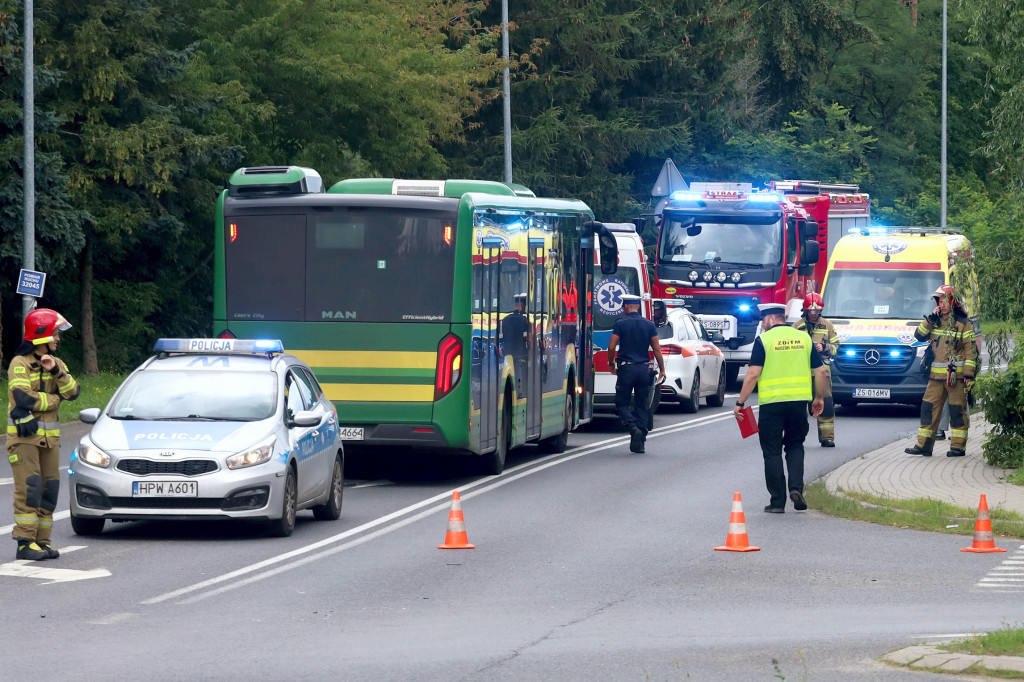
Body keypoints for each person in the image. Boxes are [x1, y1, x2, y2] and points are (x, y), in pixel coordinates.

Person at [733, 303, 827, 513]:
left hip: (771, 405)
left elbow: (753, 374)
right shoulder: (804, 339)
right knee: (795, 445)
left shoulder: (764, 340)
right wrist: (818, 398)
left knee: (772, 450)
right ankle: (796, 488)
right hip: (798, 404)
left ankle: (777, 502)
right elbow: (820, 372)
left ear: (771, 319)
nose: (762, 324)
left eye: (763, 320)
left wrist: (740, 402)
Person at [6, 308, 80, 560]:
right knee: (30, 488)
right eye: (55, 333)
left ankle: (43, 542)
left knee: (49, 489)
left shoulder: (56, 363)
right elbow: (22, 397)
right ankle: (25, 543)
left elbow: (73, 392)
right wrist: (53, 399)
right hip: (24, 439)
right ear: (42, 335)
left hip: (50, 440)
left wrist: (56, 372)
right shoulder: (19, 363)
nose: (58, 338)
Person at [905, 285, 977, 457]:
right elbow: (918, 335)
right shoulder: (934, 321)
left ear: (953, 303)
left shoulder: (964, 325)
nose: (942, 305)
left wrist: (968, 374)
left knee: (956, 411)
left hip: (956, 378)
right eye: (940, 301)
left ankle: (957, 447)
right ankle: (924, 446)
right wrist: (930, 318)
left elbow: (970, 350)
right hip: (935, 377)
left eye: (945, 301)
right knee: (928, 409)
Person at [608, 295, 665, 453]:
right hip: (643, 370)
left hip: (626, 369)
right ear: (638, 307)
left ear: (625, 307)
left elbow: (612, 346)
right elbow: (657, 349)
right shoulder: (649, 325)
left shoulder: (620, 324)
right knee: (642, 405)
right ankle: (640, 443)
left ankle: (632, 427)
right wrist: (662, 370)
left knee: (621, 403)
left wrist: (611, 363)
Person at [792, 293, 839, 447]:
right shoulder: (797, 326)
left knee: (825, 404)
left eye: (816, 311)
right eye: (811, 311)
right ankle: (797, 438)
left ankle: (827, 438)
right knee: (798, 408)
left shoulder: (828, 325)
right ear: (805, 310)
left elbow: (837, 347)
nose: (814, 314)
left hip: (822, 373)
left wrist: (824, 347)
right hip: (802, 372)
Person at [499, 293, 531, 394]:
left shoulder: (504, 320)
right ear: (523, 305)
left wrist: (500, 348)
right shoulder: (525, 321)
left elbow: (497, 338)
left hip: (507, 353)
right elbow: (528, 339)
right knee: (519, 372)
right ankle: (520, 391)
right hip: (520, 353)